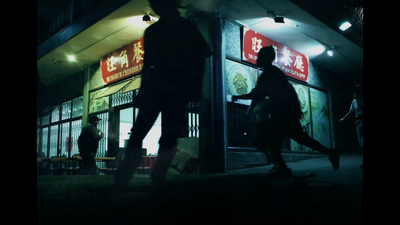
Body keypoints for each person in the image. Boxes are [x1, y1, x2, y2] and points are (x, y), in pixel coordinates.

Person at [112, 0, 211, 187]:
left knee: (142, 132)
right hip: (176, 88)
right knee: (167, 134)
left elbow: (148, 64)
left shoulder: (154, 31)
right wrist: (196, 86)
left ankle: (124, 178)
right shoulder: (186, 27)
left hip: (157, 88)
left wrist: (143, 91)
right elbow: (201, 58)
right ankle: (156, 176)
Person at [232, 46, 340, 177]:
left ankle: (282, 167)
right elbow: (259, 95)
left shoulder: (269, 74)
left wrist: (240, 98)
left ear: (266, 58)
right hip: (286, 112)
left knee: (275, 140)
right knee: (293, 139)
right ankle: (327, 154)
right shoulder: (272, 73)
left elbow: (257, 94)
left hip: (284, 113)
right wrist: (249, 109)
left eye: (259, 56)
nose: (257, 59)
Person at [339, 84, 363, 168]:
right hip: (358, 123)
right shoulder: (354, 101)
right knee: (361, 142)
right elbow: (350, 112)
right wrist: (343, 118)